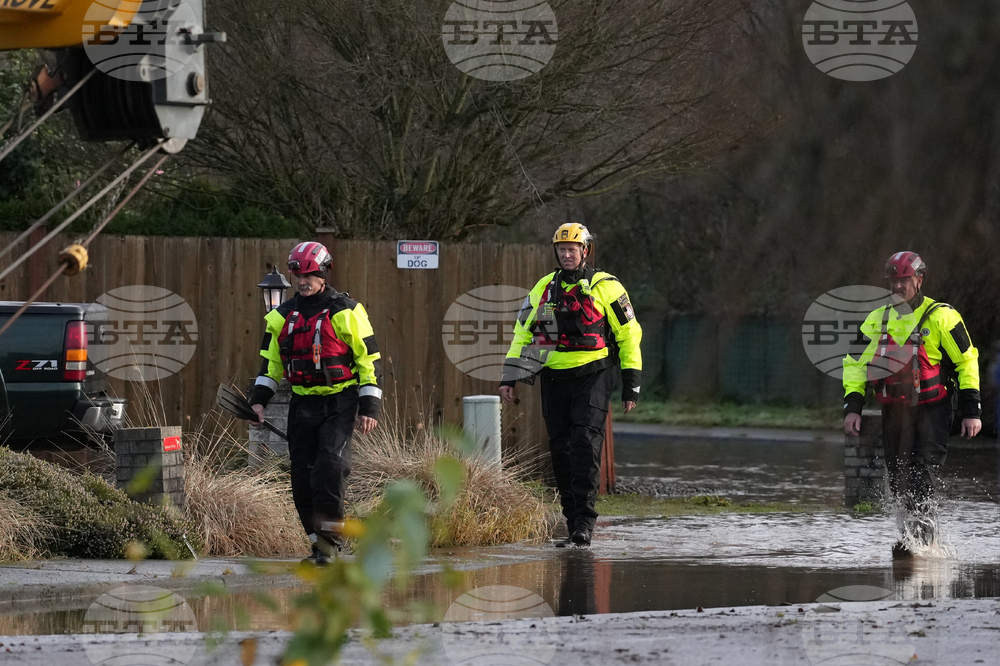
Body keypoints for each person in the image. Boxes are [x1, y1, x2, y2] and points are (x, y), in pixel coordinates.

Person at [499, 223, 642, 547]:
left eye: (572, 249)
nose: (566, 254)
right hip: (553, 377)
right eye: (562, 249)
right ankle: (572, 522)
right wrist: (510, 377)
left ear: (585, 251)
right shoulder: (543, 288)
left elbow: (630, 334)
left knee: (584, 444)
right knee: (560, 450)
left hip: (593, 374)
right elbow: (523, 333)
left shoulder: (607, 286)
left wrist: (631, 383)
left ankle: (585, 524)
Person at [249, 241, 383, 564]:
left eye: (310, 274)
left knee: (329, 469)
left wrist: (369, 408)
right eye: (299, 275)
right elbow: (270, 365)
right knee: (300, 477)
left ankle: (331, 544)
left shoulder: (347, 311)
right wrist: (258, 402)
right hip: (302, 403)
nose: (303, 281)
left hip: (340, 401)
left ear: (323, 274)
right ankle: (318, 544)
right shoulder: (281, 317)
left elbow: (369, 361)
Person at [842, 251, 981, 551]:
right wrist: (853, 407)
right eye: (893, 281)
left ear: (919, 280)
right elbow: (854, 363)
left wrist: (972, 410)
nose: (897, 287)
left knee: (920, 470)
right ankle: (911, 540)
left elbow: (967, 361)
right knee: (898, 478)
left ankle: (922, 540)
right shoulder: (876, 319)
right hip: (894, 409)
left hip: (933, 408)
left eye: (904, 280)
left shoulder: (943, 316)